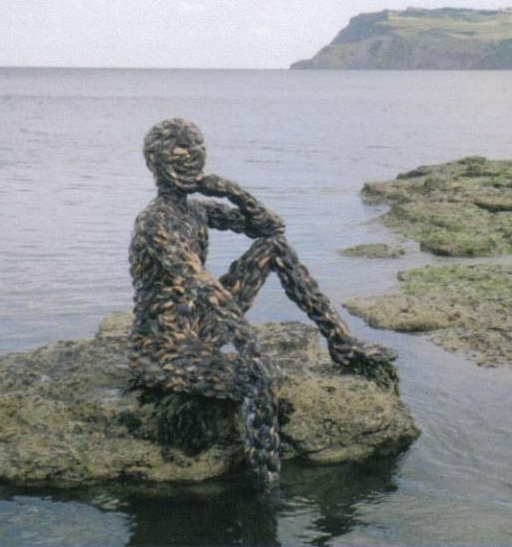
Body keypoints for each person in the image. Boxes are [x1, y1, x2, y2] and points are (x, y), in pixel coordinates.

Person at [128, 118, 397, 489]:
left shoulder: (195, 210)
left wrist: (233, 191)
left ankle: (342, 343)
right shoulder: (155, 222)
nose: (191, 156)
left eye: (196, 147)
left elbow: (271, 228)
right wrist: (250, 350)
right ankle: (265, 493)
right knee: (258, 380)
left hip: (197, 329)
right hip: (161, 349)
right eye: (181, 151)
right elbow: (204, 286)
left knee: (274, 250)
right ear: (154, 163)